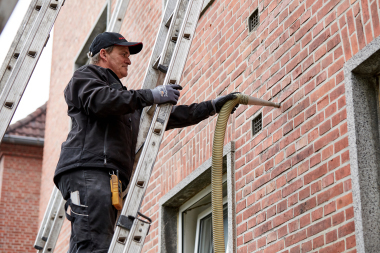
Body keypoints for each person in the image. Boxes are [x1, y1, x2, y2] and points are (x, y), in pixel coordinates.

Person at [53, 32, 238, 252]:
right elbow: (101, 102)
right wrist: (150, 95)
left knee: (94, 243)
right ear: (103, 54)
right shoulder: (86, 76)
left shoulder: (123, 101)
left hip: (105, 176)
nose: (129, 60)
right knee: (95, 245)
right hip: (89, 170)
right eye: (123, 54)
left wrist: (212, 107)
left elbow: (161, 119)